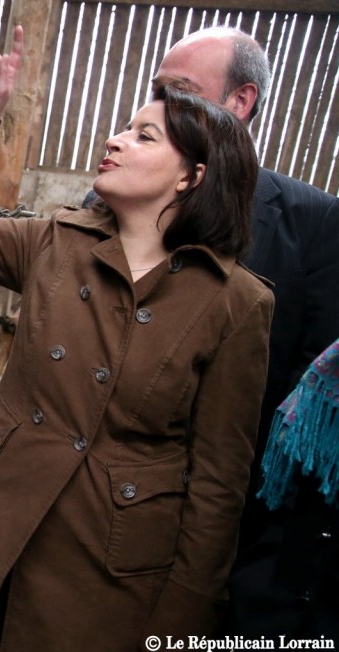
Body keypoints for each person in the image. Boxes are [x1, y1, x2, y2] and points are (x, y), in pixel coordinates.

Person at [0, 26, 274, 651]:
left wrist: (180, 628)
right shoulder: (54, 241)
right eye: (124, 127)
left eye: (143, 135)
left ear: (191, 176)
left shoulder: (237, 303)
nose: (114, 139)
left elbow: (218, 487)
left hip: (108, 575)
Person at [146, 27, 339, 637]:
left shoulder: (314, 224)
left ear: (241, 101)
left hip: (238, 527)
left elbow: (308, 405)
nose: (159, 104)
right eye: (157, 90)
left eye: (178, 90)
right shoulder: (127, 199)